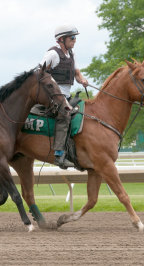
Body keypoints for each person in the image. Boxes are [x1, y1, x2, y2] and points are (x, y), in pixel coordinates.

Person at [40, 24, 89, 169]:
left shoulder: (71, 54)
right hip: (52, 97)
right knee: (65, 115)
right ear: (61, 39)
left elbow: (76, 72)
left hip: (66, 96)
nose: (75, 40)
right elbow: (39, 71)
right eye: (72, 38)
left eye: (75, 38)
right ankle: (59, 155)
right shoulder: (53, 54)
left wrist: (82, 80)